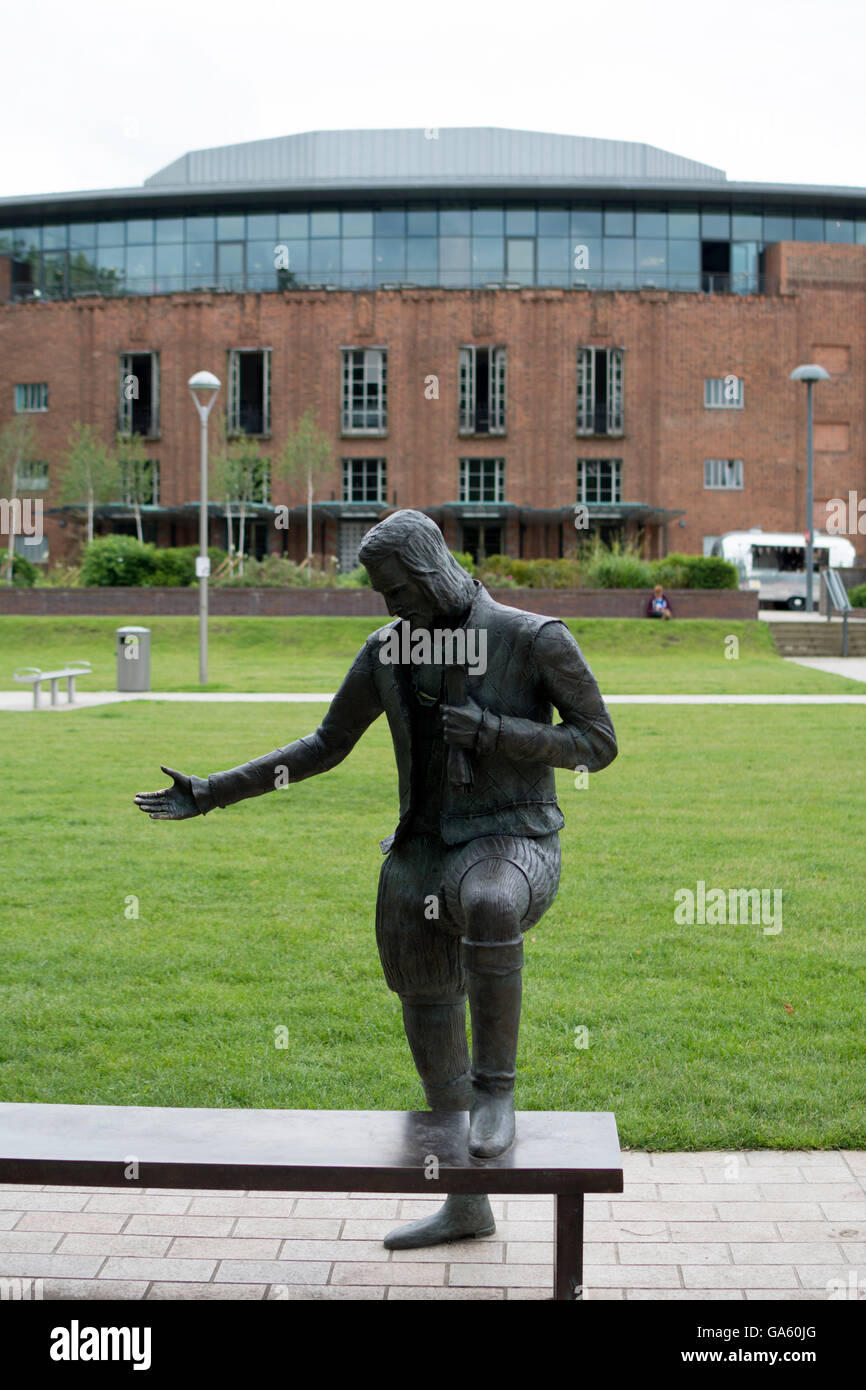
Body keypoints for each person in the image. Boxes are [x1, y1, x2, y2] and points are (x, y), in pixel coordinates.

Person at [134, 510, 617, 1250]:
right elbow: (326, 743)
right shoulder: (388, 651)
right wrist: (215, 790)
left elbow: (597, 744)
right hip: (421, 854)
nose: (391, 607)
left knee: (488, 901)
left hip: (515, 840)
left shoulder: (533, 638)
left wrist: (496, 733)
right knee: (425, 999)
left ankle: (498, 1094)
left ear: (431, 572)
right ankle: (466, 1202)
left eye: (397, 590)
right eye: (381, 595)